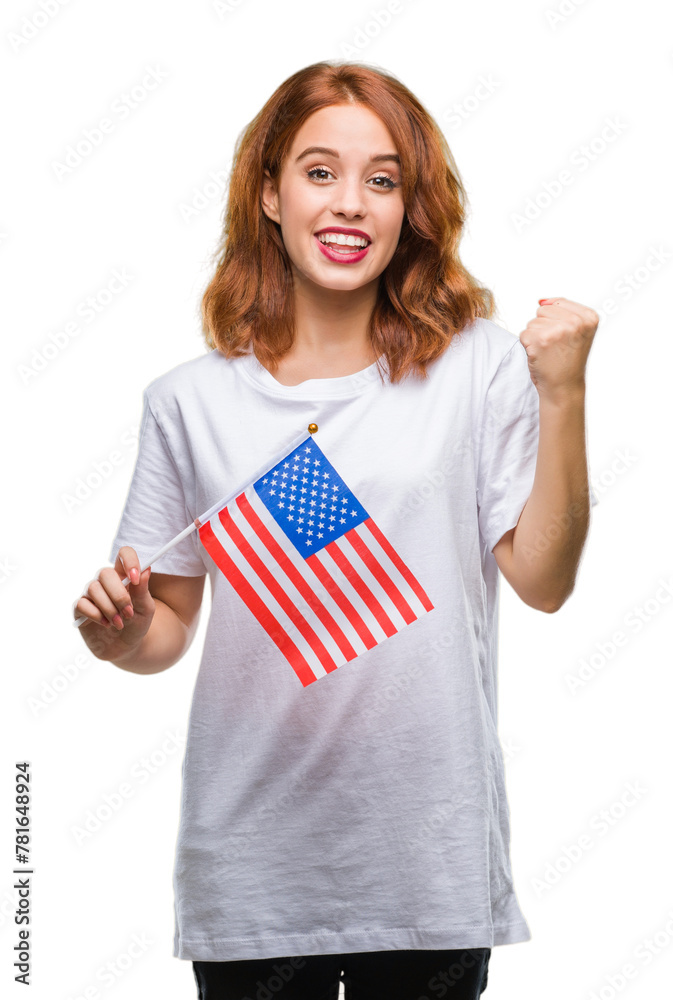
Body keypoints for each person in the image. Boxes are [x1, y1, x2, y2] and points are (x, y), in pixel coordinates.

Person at [72, 60, 599, 1000]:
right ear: (268, 193)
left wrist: (561, 391)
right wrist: (121, 635)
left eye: (382, 179)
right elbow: (167, 629)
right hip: (253, 872)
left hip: (426, 866)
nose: (350, 203)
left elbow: (545, 580)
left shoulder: (476, 368)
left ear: (410, 208)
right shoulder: (187, 403)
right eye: (319, 172)